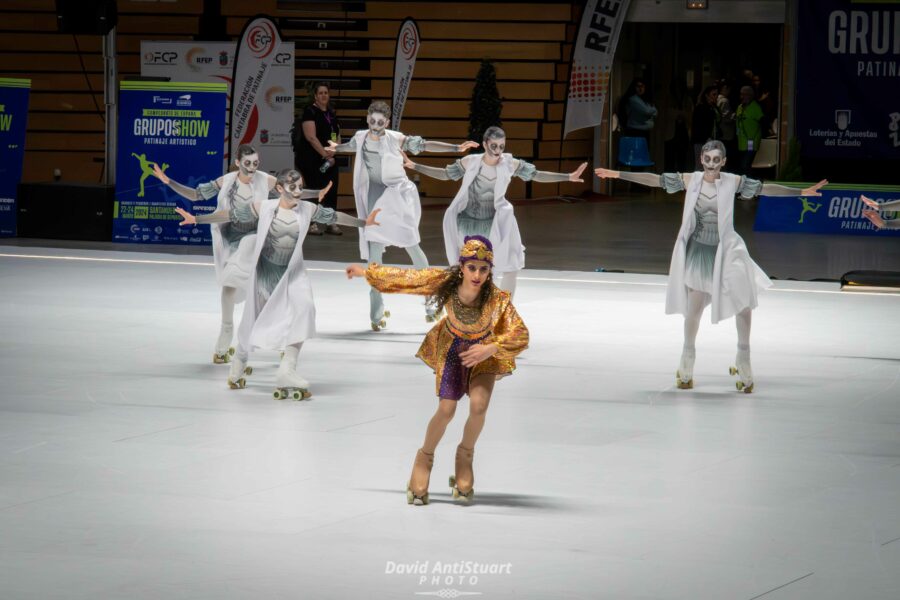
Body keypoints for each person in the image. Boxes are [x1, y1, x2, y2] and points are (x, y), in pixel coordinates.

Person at [595, 140, 827, 393]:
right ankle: (687, 359)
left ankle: (744, 357)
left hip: (727, 250)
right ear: (701, 159)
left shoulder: (732, 181)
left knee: (744, 302)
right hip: (699, 252)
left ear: (724, 161)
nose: (711, 164)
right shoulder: (690, 179)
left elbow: (764, 189)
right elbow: (656, 180)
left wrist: (801, 193)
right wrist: (618, 174)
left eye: (717, 159)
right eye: (707, 159)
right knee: (693, 310)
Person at [345, 236, 529, 505]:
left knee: (479, 406)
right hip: (453, 348)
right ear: (462, 267)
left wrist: (491, 347)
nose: (477, 274)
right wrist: (367, 271)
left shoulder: (497, 299)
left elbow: (520, 334)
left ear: (490, 271)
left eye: (484, 269)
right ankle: (424, 459)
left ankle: (464, 458)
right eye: (472, 268)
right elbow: (410, 278)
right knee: (447, 410)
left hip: (484, 355)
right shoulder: (447, 283)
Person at [175, 170, 380, 399]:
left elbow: (334, 217)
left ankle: (287, 369)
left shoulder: (307, 209)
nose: (297, 191)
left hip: (293, 273)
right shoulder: (263, 207)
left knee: (305, 309)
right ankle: (239, 365)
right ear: (280, 188)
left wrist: (364, 223)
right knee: (252, 319)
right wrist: (197, 219)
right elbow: (231, 214)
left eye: (300, 186)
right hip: (265, 272)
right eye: (292, 186)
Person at [325, 100, 478, 330]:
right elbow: (349, 146)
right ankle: (376, 316)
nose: (376, 125)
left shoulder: (395, 138)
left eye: (380, 122)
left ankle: (430, 303)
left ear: (387, 122)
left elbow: (425, 145)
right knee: (374, 259)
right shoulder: (361, 137)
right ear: (368, 118)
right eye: (372, 121)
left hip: (396, 198)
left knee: (412, 246)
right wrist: (337, 149)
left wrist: (455, 148)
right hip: (375, 201)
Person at [405, 125, 586, 298]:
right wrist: (415, 166)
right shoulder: (470, 161)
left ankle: (502, 313)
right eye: (493, 145)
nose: (498, 150)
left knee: (510, 266)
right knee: (470, 270)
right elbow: (445, 174)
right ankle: (466, 311)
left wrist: (568, 177)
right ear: (484, 144)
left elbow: (536, 174)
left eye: (501, 146)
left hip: (495, 224)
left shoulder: (510, 164)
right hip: (468, 223)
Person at [152, 144, 276, 363]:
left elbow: (293, 191)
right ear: (238, 162)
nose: (252, 168)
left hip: (255, 240)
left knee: (261, 279)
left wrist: (316, 194)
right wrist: (168, 181)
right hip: (229, 241)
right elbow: (196, 195)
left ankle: (271, 333)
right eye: (247, 163)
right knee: (229, 287)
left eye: (255, 163)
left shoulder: (265, 180)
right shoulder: (226, 181)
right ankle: (224, 337)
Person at [296, 82, 341, 236]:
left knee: (332, 189)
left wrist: (333, 151)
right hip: (311, 158)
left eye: (326, 93)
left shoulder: (331, 114)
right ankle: (310, 223)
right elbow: (311, 137)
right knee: (314, 189)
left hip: (329, 159)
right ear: (315, 96)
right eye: (320, 93)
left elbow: (335, 135)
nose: (323, 95)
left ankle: (330, 222)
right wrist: (325, 154)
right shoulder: (310, 111)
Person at [735, 86, 764, 175]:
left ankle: (754, 182)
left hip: (752, 141)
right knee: (742, 166)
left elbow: (763, 121)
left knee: (745, 165)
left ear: (750, 96)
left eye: (745, 95)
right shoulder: (740, 107)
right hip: (741, 142)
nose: (742, 97)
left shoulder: (755, 107)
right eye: (741, 94)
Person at [691, 85, 720, 170]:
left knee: (710, 165)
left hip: (712, 139)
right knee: (701, 165)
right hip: (701, 140)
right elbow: (698, 126)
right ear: (707, 95)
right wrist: (706, 137)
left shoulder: (714, 107)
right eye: (714, 94)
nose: (716, 97)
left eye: (717, 94)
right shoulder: (701, 107)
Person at [716, 81, 737, 158]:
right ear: (725, 88)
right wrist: (735, 116)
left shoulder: (717, 99)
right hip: (726, 133)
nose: (729, 92)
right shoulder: (724, 101)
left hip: (720, 133)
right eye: (729, 90)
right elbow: (726, 118)